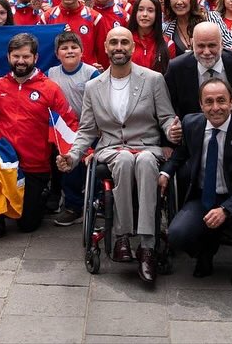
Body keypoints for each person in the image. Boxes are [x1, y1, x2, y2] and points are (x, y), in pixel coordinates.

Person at [56, 27, 181, 284]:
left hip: (147, 146)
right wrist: (72, 155)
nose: (119, 47)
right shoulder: (94, 86)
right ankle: (121, 236)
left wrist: (172, 130)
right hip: (112, 149)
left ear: (133, 48)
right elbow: (87, 129)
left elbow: (167, 117)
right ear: (105, 47)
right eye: (114, 42)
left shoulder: (153, 79)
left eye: (125, 42)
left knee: (145, 160)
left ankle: (146, 245)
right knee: (124, 159)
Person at [160, 77, 232, 287]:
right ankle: (205, 251)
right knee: (178, 235)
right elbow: (181, 154)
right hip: (205, 196)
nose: (215, 107)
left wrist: (225, 209)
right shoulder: (191, 123)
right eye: (209, 101)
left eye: (221, 100)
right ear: (201, 104)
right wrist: (166, 173)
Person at [0, 33, 79, 236]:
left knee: (27, 225)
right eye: (16, 56)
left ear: (35, 58)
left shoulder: (50, 89)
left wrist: (79, 152)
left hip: (35, 166)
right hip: (4, 164)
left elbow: (68, 123)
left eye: (26, 56)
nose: (20, 61)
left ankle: (40, 197)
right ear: (8, 57)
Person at [46, 32, 100, 225]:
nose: (69, 51)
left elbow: (101, 102)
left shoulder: (92, 73)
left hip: (89, 129)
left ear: (82, 51)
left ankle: (96, 200)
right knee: (67, 165)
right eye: (64, 48)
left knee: (90, 166)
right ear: (57, 53)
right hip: (64, 131)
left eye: (73, 47)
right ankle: (72, 206)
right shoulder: (51, 74)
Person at [45, 0, 108, 69]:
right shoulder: (47, 17)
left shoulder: (95, 18)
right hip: (57, 77)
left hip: (87, 77)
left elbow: (102, 52)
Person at [126, 0, 173, 74]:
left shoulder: (167, 44)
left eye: (150, 10)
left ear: (157, 14)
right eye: (140, 10)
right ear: (135, 13)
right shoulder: (125, 41)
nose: (144, 14)